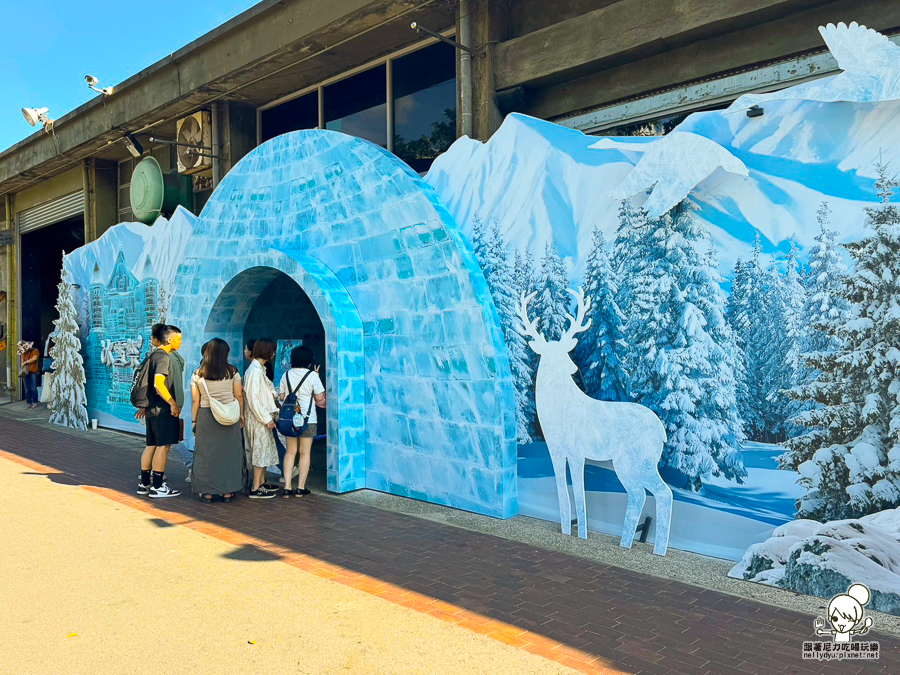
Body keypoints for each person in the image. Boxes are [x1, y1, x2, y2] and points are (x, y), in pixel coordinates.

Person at [190, 338, 244, 503]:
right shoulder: (233, 372)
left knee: (206, 455)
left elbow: (195, 401)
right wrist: (241, 415)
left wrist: (194, 421)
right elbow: (239, 395)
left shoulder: (197, 373)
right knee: (229, 454)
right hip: (229, 416)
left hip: (206, 416)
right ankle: (227, 492)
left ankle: (207, 492)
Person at [135, 324, 182, 498]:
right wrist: (172, 402)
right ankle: (158, 486)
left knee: (151, 445)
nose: (180, 342)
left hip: (151, 408)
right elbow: (158, 383)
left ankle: (144, 483)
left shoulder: (152, 355)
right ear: (170, 339)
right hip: (162, 409)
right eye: (179, 338)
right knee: (163, 447)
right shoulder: (163, 357)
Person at [277, 346, 326, 498]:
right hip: (307, 419)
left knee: (290, 452)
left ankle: (286, 487)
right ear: (309, 361)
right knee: (305, 453)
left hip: (290, 419)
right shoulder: (312, 376)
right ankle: (300, 488)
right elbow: (319, 398)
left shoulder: (285, 375)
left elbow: (282, 396)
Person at [243, 337, 280, 498]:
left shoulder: (259, 370)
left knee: (264, 452)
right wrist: (266, 418)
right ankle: (256, 487)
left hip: (260, 419)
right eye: (272, 350)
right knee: (259, 452)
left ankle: (262, 482)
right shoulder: (255, 371)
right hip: (258, 420)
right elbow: (253, 398)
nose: (274, 354)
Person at [17, 340, 40, 409]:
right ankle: (29, 402)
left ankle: (35, 402)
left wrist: (25, 362)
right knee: (27, 388)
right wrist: (23, 363)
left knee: (33, 387)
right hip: (25, 372)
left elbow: (35, 358)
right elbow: (22, 360)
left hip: (33, 371)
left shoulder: (35, 350)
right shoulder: (23, 352)